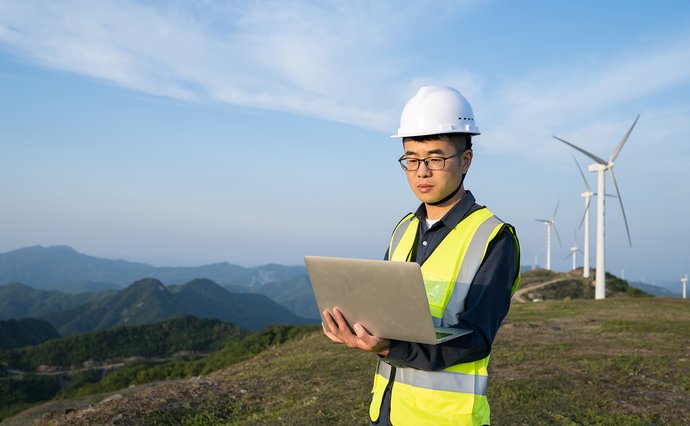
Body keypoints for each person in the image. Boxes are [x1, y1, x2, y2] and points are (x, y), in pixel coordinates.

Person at [321, 85, 521, 426]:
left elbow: (477, 339)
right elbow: (384, 310)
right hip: (386, 411)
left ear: (466, 160)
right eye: (411, 160)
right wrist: (356, 324)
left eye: (435, 158)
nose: (421, 172)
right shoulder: (403, 229)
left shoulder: (493, 238)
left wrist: (388, 347)